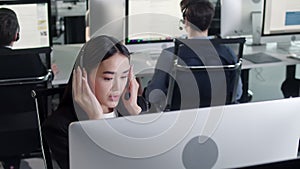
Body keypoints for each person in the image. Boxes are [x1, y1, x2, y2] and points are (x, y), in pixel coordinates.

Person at [43, 35, 146, 169]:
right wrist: (96, 122)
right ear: (82, 76)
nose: (117, 88)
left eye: (124, 76)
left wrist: (136, 116)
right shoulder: (61, 126)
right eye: (108, 78)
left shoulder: (136, 108)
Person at [144, 0, 243, 110]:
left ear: (186, 21)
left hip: (180, 118)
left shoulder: (169, 55)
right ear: (210, 21)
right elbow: (237, 94)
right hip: (217, 117)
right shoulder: (227, 53)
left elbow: (154, 96)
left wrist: (149, 85)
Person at [0, 8, 47, 169]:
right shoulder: (31, 59)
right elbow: (43, 81)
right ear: (16, 35)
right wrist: (50, 73)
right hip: (28, 132)